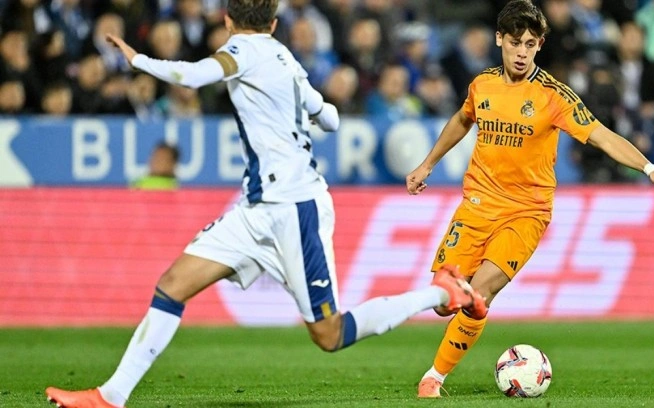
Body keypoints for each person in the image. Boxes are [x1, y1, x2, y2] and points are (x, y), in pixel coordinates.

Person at [44, 1, 483, 407]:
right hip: (256, 208)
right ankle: (111, 396)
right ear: (273, 24)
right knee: (173, 284)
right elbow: (330, 117)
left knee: (329, 334)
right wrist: (304, 112)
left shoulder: (242, 51)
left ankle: (440, 293)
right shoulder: (286, 59)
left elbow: (193, 76)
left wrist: (138, 60)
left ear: (228, 21)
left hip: (294, 208)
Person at [406, 0, 654, 398]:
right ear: (499, 39)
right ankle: (459, 320)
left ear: (540, 45)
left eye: (530, 44)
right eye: (515, 42)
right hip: (477, 206)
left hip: (525, 213)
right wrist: (427, 164)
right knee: (444, 302)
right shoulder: (482, 85)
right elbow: (463, 119)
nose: (522, 52)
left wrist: (649, 168)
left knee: (478, 294)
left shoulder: (553, 95)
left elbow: (601, 135)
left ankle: (434, 377)